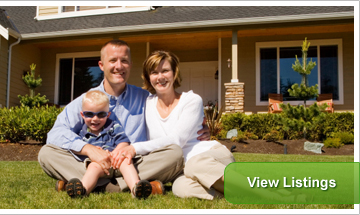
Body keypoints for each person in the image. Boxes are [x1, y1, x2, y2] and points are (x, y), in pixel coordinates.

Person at [38, 40, 210, 194]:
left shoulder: (145, 98)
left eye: (124, 61)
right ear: (101, 65)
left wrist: (196, 127)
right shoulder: (87, 100)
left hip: (134, 163)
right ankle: (133, 186)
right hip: (93, 163)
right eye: (113, 60)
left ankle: (87, 185)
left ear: (130, 65)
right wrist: (88, 149)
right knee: (46, 154)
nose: (119, 66)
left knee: (174, 153)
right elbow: (55, 133)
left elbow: (171, 116)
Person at [112, 50, 235, 200]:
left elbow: (176, 140)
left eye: (165, 71)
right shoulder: (146, 103)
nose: (160, 77)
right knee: (180, 188)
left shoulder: (191, 100)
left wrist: (134, 148)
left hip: (208, 157)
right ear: (148, 77)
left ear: (174, 73)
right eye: (154, 72)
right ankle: (230, 194)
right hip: (183, 169)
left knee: (195, 164)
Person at [66, 90, 152, 199]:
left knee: (126, 162)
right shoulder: (82, 133)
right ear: (82, 115)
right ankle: (83, 191)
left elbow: (123, 142)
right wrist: (91, 150)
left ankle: (136, 188)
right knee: (93, 166)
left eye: (101, 114)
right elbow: (77, 148)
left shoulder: (113, 126)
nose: (95, 119)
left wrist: (116, 154)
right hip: (98, 165)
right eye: (89, 114)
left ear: (108, 115)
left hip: (117, 162)